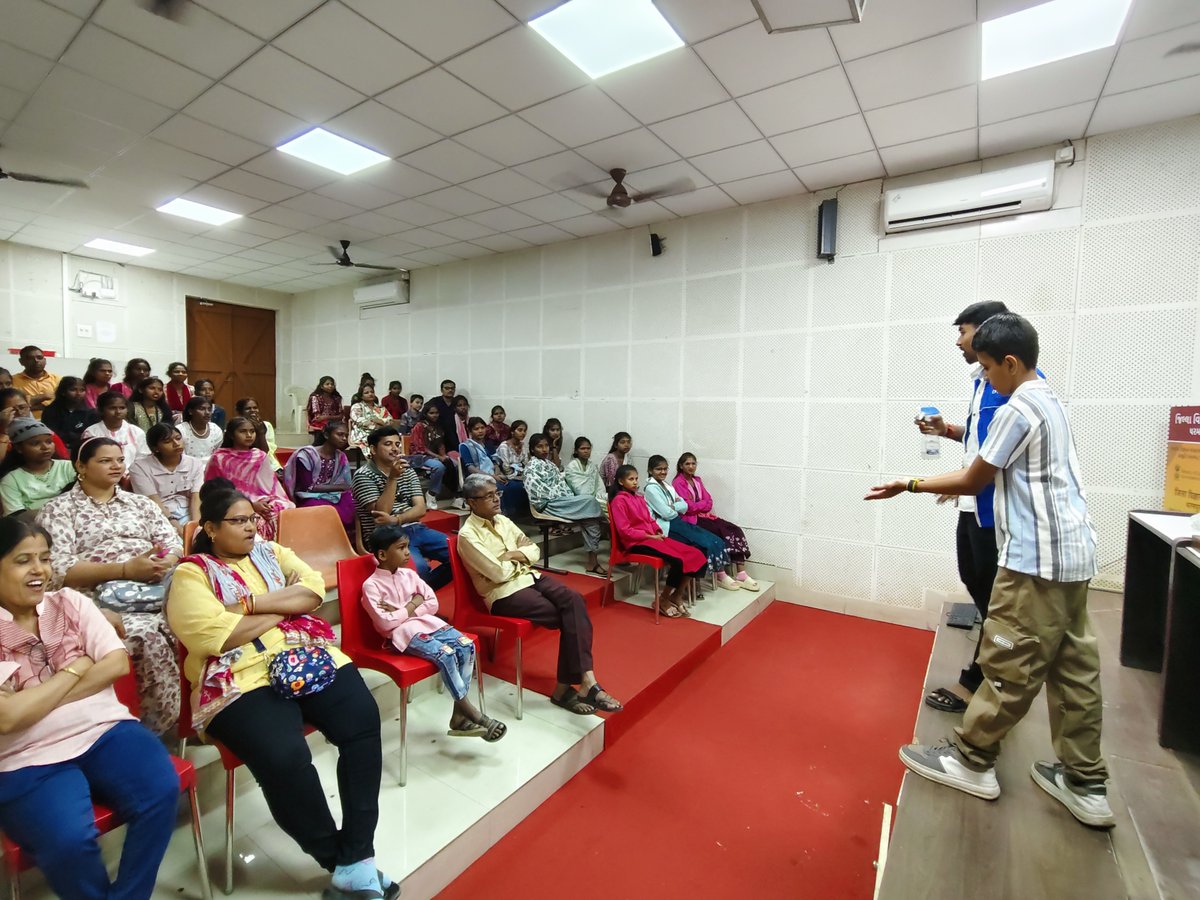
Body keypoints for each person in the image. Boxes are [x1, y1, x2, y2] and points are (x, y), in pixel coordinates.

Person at [866, 313, 1112, 828]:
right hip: (1073, 557)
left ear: (1010, 361)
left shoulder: (1017, 405)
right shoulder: (1048, 397)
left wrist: (907, 484)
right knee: (1074, 670)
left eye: (986, 366)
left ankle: (972, 760)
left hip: (1034, 561)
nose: (984, 378)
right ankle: (1085, 782)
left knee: (1008, 664)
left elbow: (976, 477)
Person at [166, 489, 398, 900]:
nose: (251, 526)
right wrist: (284, 609)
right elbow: (216, 637)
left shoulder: (272, 552)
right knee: (284, 756)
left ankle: (357, 853)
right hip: (240, 676)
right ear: (211, 529)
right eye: (238, 521)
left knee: (362, 720)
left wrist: (249, 604)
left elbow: (311, 591)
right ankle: (340, 859)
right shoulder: (192, 574)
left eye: (252, 518)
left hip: (305, 654)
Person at [0, 517, 181, 900]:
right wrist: (78, 666)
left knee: (161, 789)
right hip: (25, 758)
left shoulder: (71, 601)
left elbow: (115, 663)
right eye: (23, 560)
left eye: (45, 559)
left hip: (105, 730)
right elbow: (8, 719)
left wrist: (36, 700)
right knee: (67, 841)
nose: (39, 571)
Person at [36, 437, 182, 736]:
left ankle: (209, 713)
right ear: (81, 466)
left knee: (202, 617)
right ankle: (150, 730)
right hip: (97, 600)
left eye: (119, 459)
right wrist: (125, 569)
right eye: (105, 460)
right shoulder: (60, 510)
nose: (116, 465)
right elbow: (56, 569)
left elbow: (173, 543)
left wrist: (161, 565)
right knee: (144, 635)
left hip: (157, 587)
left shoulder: (139, 503)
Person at [914, 300, 1018, 714]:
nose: (958, 341)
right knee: (975, 581)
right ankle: (990, 668)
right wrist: (949, 429)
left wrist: (915, 484)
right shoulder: (983, 380)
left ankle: (982, 680)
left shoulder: (1013, 387)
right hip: (974, 503)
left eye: (963, 331)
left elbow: (1001, 454)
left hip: (995, 510)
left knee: (995, 597)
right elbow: (983, 442)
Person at [458, 474, 623, 715]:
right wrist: (519, 556)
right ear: (472, 502)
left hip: (530, 576)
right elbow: (497, 573)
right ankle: (570, 688)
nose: (496, 499)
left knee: (575, 601)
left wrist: (513, 555)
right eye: (489, 496)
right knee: (566, 615)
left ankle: (585, 681)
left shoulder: (503, 521)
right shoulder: (468, 536)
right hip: (503, 593)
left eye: (497, 493)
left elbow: (534, 550)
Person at [362, 525, 506, 741]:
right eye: (401, 548)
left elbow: (432, 603)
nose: (408, 553)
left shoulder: (410, 575)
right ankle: (471, 711)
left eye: (408, 547)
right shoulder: (371, 586)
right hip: (404, 634)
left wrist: (403, 609)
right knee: (446, 653)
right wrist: (412, 605)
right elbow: (385, 624)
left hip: (429, 623)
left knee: (466, 645)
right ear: (382, 554)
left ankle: (459, 714)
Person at [351, 427, 450, 590]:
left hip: (415, 528)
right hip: (386, 537)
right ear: (373, 449)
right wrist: (393, 478)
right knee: (419, 568)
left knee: (461, 554)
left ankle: (420, 596)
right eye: (388, 444)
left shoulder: (408, 471)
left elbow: (420, 509)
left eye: (397, 444)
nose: (395, 448)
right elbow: (382, 513)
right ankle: (416, 600)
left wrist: (398, 519)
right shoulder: (363, 475)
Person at [609, 464, 707, 619]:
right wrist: (649, 537)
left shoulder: (639, 498)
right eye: (630, 479)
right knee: (678, 560)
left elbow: (650, 519)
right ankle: (663, 599)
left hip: (652, 538)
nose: (635, 482)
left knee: (697, 554)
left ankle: (677, 595)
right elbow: (624, 530)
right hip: (636, 543)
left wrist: (658, 531)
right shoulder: (618, 501)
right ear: (621, 482)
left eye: (636, 478)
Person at [672, 453, 759, 591]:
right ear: (681, 466)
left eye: (693, 463)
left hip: (705, 515)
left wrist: (699, 505)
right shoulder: (677, 483)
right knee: (718, 534)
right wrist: (701, 504)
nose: (691, 466)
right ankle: (720, 573)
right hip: (692, 520)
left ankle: (741, 573)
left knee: (734, 530)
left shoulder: (697, 480)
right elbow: (687, 507)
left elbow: (709, 501)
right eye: (687, 464)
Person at [643, 455, 732, 588]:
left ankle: (717, 575)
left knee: (714, 539)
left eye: (665, 469)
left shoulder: (666, 485)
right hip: (666, 526)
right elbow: (666, 514)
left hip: (677, 521)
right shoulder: (651, 488)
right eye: (658, 469)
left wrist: (674, 506)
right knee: (701, 545)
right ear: (650, 471)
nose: (662, 472)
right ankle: (692, 587)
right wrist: (675, 506)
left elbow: (684, 505)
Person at [525, 433, 607, 576]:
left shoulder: (550, 465)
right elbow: (537, 494)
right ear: (532, 450)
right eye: (540, 446)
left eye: (546, 446)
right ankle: (605, 519)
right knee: (590, 501)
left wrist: (566, 497)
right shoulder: (531, 467)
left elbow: (562, 485)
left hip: (563, 501)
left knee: (591, 519)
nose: (544, 449)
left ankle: (592, 562)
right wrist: (561, 497)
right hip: (548, 504)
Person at [205, 418, 294, 541]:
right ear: (231, 435)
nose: (249, 435)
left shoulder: (260, 456)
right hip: (230, 503)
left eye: (252, 431)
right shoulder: (219, 458)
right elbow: (214, 491)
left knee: (278, 511)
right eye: (243, 431)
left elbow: (271, 488)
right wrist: (251, 504)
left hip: (263, 501)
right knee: (255, 520)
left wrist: (267, 504)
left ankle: (275, 552)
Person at [283, 421, 355, 538]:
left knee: (353, 502)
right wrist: (340, 487)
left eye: (346, 436)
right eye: (340, 434)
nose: (344, 438)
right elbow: (308, 487)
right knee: (327, 511)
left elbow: (346, 483)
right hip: (308, 497)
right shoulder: (306, 455)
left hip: (333, 496)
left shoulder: (341, 457)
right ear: (326, 435)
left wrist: (343, 488)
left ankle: (349, 542)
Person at [129, 423, 203, 534]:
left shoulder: (194, 463)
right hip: (158, 515)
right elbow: (154, 502)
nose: (176, 444)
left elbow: (196, 497)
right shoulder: (139, 468)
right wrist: (179, 530)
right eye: (167, 442)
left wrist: (195, 528)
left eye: (178, 438)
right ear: (155, 448)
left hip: (189, 511)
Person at [0, 419, 76, 516]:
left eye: (49, 442)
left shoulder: (69, 467)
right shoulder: (10, 480)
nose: (45, 447)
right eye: (35, 443)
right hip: (34, 528)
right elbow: (17, 516)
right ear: (19, 448)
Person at [81, 392, 149, 473]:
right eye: (112, 408)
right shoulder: (91, 432)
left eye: (122, 408)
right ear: (101, 410)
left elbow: (143, 458)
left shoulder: (136, 432)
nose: (118, 412)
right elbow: (88, 460)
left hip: (132, 476)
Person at [0, 389, 69, 464]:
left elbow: (64, 459)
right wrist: (3, 431)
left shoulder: (42, 430)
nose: (20, 413)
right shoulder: (3, 434)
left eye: (22, 407)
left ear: (29, 406)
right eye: (12, 410)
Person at [409, 403, 457, 509]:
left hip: (433, 456)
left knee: (453, 463)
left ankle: (456, 496)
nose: (435, 415)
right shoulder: (419, 426)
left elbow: (440, 444)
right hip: (418, 456)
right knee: (439, 466)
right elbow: (420, 447)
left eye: (436, 413)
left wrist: (443, 455)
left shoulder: (438, 427)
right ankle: (431, 494)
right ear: (425, 414)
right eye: (431, 413)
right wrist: (439, 457)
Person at [41, 376, 98, 457]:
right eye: (73, 390)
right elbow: (50, 434)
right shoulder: (51, 411)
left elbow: (91, 435)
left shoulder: (90, 413)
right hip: (56, 451)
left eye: (82, 390)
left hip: (83, 450)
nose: (78, 393)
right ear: (63, 392)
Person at [11, 346, 59, 419]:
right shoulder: (12, 381)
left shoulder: (57, 379)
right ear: (21, 361)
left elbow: (64, 403)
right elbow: (11, 407)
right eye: (30, 358)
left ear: (45, 360)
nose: (36, 360)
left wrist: (32, 404)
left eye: (40, 357)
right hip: (25, 425)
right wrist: (43, 396)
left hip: (55, 423)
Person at [236, 397, 282, 472]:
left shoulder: (266, 425)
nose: (252, 410)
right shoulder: (236, 427)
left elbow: (266, 451)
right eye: (248, 408)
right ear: (240, 412)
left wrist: (260, 431)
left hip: (268, 464)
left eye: (255, 408)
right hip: (245, 465)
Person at [564, 436, 607, 510]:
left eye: (588, 448)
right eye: (582, 448)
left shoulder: (592, 466)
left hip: (593, 498)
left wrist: (601, 496)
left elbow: (599, 486)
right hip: (578, 499)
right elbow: (579, 490)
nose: (586, 451)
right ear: (576, 451)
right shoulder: (572, 466)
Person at [350, 384, 392, 453]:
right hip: (362, 432)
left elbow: (390, 420)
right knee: (373, 440)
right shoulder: (357, 406)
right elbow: (360, 422)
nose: (370, 394)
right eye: (366, 393)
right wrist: (379, 424)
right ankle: (374, 462)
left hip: (380, 432)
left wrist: (380, 421)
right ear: (361, 396)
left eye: (372, 392)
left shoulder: (380, 408)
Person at [179, 396, 222, 463]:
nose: (207, 412)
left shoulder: (215, 429)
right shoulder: (181, 430)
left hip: (210, 468)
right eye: (202, 409)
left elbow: (218, 455)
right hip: (188, 469)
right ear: (190, 411)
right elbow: (180, 457)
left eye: (209, 409)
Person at [306, 376, 343, 443]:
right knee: (325, 429)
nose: (330, 386)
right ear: (321, 386)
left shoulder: (337, 398)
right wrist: (329, 418)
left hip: (334, 422)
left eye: (332, 384)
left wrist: (326, 417)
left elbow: (340, 416)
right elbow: (318, 417)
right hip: (319, 424)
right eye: (327, 384)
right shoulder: (315, 397)